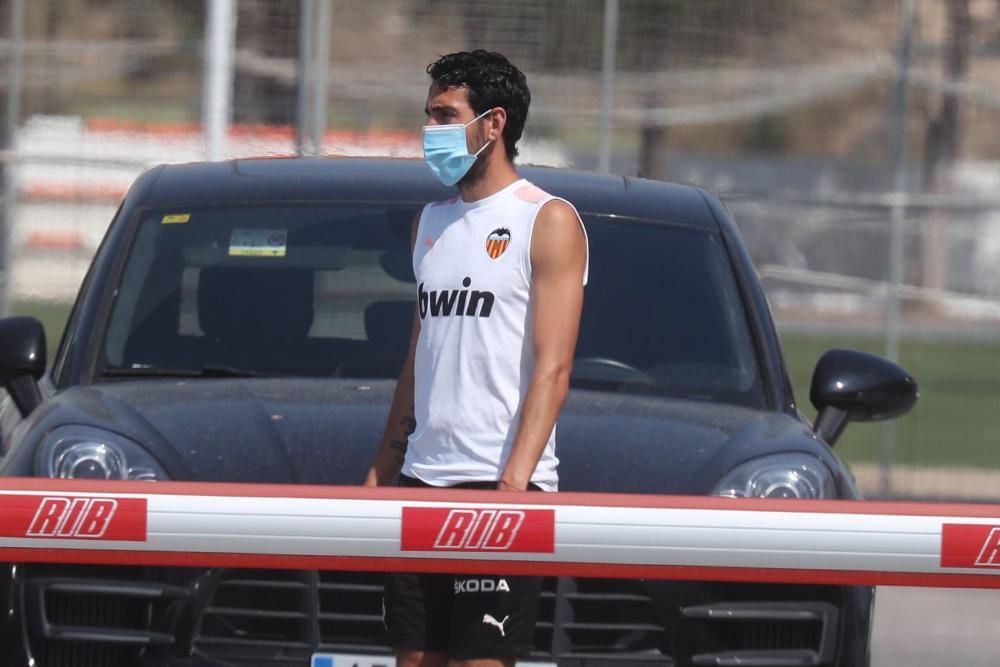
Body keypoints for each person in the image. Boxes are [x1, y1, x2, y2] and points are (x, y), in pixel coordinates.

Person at [365, 49, 588, 667]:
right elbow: (420, 355)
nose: (430, 132)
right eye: (428, 115)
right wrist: (386, 464)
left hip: (499, 487)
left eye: (444, 115)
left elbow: (554, 366)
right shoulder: (430, 222)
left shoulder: (546, 220)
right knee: (413, 660)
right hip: (422, 481)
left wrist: (512, 485)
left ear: (493, 124)